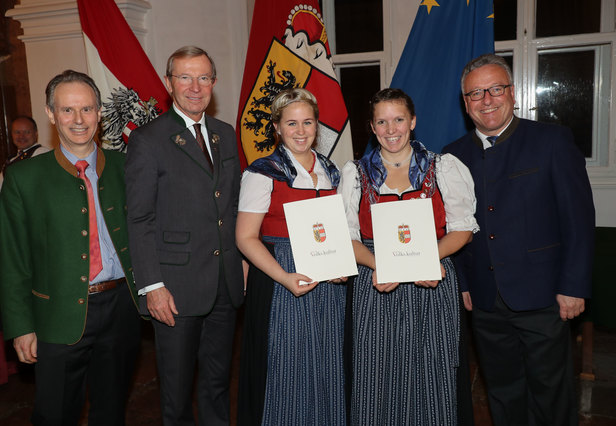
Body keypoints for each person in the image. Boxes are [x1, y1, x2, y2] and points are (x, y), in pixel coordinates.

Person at [443, 54, 595, 426]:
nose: (487, 100)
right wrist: (463, 281)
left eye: (495, 89)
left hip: (544, 295)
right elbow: (454, 224)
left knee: (550, 392)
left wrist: (573, 286)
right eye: (476, 93)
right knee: (503, 390)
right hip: (485, 297)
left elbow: (578, 219)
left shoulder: (552, 141)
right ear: (465, 103)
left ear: (512, 92)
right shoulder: (452, 157)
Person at [0, 70, 140, 425]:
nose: (79, 120)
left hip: (121, 308)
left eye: (87, 110)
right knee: (55, 414)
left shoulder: (126, 167)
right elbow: (14, 260)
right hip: (55, 315)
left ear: (99, 114)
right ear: (50, 113)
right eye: (67, 110)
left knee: (112, 411)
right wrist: (21, 327)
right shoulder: (24, 178)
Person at [338, 88, 479, 425]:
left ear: (413, 121)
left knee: (432, 371)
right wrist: (380, 264)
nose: (391, 129)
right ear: (372, 127)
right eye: (382, 122)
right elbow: (348, 237)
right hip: (376, 281)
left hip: (431, 276)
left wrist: (428, 259)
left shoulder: (442, 167)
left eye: (398, 119)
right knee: (377, 374)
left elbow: (462, 229)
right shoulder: (355, 174)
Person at [125, 46, 244, 426]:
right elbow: (139, 218)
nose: (195, 87)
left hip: (224, 283)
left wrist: (240, 259)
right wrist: (152, 285)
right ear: (169, 83)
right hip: (173, 289)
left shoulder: (226, 134)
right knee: (176, 396)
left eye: (204, 77)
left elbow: (232, 204)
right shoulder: (148, 139)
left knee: (218, 385)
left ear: (214, 83)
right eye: (185, 78)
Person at [236, 88, 347, 425]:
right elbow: (244, 238)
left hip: (329, 284)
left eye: (308, 122)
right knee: (287, 364)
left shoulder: (333, 171)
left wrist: (341, 264)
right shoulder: (262, 172)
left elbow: (337, 229)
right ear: (277, 128)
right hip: (281, 279)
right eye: (292, 123)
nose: (301, 131)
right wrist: (284, 277)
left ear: (317, 127)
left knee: (328, 363)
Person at [0, 116, 50, 212]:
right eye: (17, 132)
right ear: (11, 135)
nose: (21, 136)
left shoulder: (42, 154)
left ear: (36, 133)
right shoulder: (11, 160)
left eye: (27, 132)